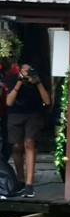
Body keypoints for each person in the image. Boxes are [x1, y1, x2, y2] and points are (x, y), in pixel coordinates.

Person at [6, 64, 50, 197]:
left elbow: (47, 101)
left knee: (29, 143)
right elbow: (9, 102)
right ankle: (21, 180)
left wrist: (37, 82)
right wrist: (19, 82)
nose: (26, 74)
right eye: (24, 71)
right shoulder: (13, 79)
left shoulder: (38, 81)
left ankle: (29, 184)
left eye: (29, 71)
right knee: (17, 147)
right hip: (15, 114)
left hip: (33, 114)